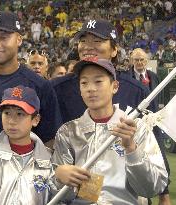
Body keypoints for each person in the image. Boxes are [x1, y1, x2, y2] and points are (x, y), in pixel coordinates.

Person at [52, 58, 168, 205]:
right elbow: (58, 195)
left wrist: (132, 149)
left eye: (98, 81)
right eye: (84, 83)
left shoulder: (136, 128)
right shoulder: (68, 132)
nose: (91, 88)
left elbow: (152, 188)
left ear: (115, 86)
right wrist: (59, 177)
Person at [0, 11, 61, 151]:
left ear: (19, 39)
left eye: (3, 38)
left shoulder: (40, 86)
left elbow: (49, 138)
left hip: (22, 170)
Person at [51, 19, 150, 124]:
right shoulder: (56, 89)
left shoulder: (137, 92)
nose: (87, 47)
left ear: (114, 50)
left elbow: (151, 136)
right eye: (83, 41)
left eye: (97, 41)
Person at [129, 48, 171, 204]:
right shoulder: (127, 78)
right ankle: (143, 198)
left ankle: (164, 194)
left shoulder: (153, 76)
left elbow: (158, 98)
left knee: (161, 159)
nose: (139, 63)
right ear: (131, 61)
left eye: (142, 60)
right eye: (136, 60)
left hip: (154, 126)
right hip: (135, 127)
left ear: (146, 61)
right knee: (137, 160)